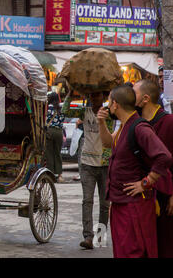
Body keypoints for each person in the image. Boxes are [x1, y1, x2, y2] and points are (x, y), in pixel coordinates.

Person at [97, 84, 173, 258]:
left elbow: (165, 157)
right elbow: (109, 143)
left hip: (135, 205)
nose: (108, 105)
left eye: (109, 100)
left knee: (134, 252)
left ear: (115, 104)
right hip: (122, 202)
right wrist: (101, 122)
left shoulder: (139, 127)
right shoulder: (125, 125)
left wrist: (146, 182)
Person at [62, 89, 112, 249]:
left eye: (97, 94)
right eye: (91, 94)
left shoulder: (109, 113)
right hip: (87, 163)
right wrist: (70, 92)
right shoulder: (84, 112)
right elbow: (65, 110)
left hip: (105, 163)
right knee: (87, 200)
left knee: (105, 205)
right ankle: (88, 237)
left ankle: (100, 236)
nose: (94, 97)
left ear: (103, 97)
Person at [133, 79, 173, 258]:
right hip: (142, 196)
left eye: (133, 92)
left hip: (166, 196)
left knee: (166, 246)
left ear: (145, 99)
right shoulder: (136, 124)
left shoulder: (171, 122)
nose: (130, 95)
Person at [46, 92, 65, 183]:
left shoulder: (48, 107)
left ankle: (51, 174)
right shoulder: (61, 108)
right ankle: (60, 175)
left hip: (50, 131)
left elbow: (45, 119)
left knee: (49, 153)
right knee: (57, 153)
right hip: (59, 132)